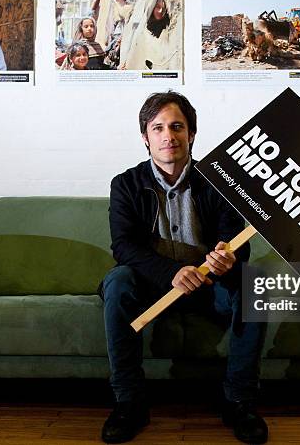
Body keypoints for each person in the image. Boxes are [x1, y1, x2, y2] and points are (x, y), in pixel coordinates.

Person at [101, 91, 268, 444]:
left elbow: (237, 239)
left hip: (210, 287)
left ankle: (239, 401)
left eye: (177, 126)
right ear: (145, 137)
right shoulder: (125, 185)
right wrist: (170, 272)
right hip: (152, 287)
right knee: (117, 282)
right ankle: (129, 402)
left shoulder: (221, 182)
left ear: (191, 133)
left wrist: (227, 256)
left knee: (254, 283)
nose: (168, 135)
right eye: (158, 127)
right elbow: (124, 247)